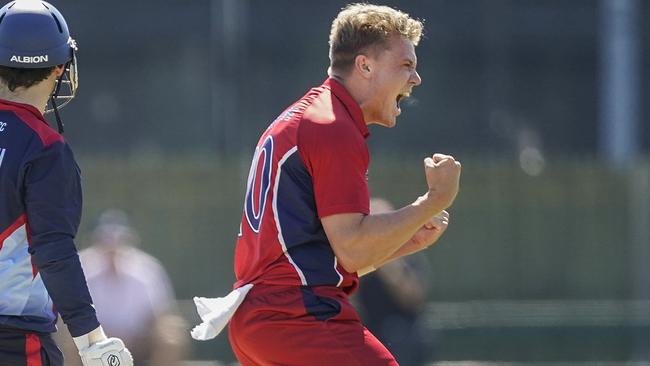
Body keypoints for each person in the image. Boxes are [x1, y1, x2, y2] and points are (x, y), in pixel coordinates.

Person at [192, 3, 461, 365]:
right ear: (364, 66)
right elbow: (352, 249)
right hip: (296, 315)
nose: (416, 78)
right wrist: (432, 200)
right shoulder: (333, 126)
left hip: (263, 320)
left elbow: (326, 259)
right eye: (406, 65)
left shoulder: (314, 115)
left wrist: (403, 241)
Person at [0, 1, 132, 365]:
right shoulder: (45, 147)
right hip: (13, 339)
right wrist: (92, 340)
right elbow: (53, 250)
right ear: (61, 67)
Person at [56, 209, 188, 366]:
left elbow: (161, 315)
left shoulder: (147, 267)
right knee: (69, 337)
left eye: (118, 238)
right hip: (92, 338)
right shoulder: (80, 266)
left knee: (171, 335)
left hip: (138, 340)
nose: (112, 245)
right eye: (106, 238)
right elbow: (65, 314)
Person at [357, 198, 433, 366]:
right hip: (369, 332)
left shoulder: (410, 253)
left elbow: (413, 300)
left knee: (399, 333)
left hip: (405, 333)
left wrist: (388, 262)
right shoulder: (355, 258)